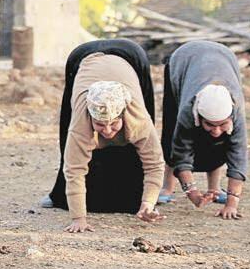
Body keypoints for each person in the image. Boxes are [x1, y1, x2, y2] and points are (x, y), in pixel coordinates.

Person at [40, 39, 165, 233]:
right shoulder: (81, 124)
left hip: (130, 54)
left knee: (136, 154)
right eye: (99, 124)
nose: (107, 131)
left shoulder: (138, 119)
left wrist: (148, 202)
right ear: (91, 117)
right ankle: (60, 194)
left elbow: (154, 164)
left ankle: (137, 198)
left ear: (123, 115)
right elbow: (75, 170)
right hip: (82, 55)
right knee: (69, 143)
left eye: (113, 124)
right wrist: (78, 218)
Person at [159, 41, 247, 220]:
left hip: (223, 56)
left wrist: (232, 203)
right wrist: (191, 191)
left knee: (221, 139)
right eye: (210, 124)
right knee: (171, 129)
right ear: (198, 117)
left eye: (222, 124)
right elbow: (181, 151)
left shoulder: (236, 112)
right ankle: (167, 186)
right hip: (184, 59)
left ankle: (214, 188)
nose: (216, 130)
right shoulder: (187, 110)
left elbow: (238, 156)